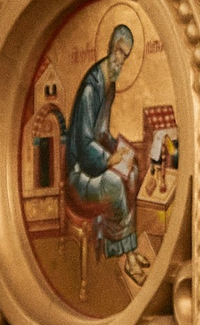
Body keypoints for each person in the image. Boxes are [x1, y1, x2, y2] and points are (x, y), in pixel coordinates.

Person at [61, 23, 143, 262]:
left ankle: (127, 249)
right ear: (110, 47)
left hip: (95, 164)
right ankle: (124, 256)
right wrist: (109, 159)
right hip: (79, 175)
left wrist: (121, 151)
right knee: (116, 184)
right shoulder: (91, 87)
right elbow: (85, 143)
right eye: (118, 51)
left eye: (125, 55)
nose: (121, 59)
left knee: (134, 172)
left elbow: (102, 132)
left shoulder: (110, 86)